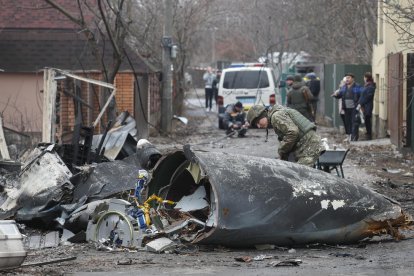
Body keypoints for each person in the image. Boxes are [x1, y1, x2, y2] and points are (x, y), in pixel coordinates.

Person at [246, 104, 323, 167]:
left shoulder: (276, 116)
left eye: (258, 122)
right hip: (308, 145)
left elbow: (293, 132)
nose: (259, 126)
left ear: (262, 115)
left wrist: (282, 149)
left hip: (309, 146)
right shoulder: (277, 113)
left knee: (301, 176)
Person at [332, 73, 362, 141]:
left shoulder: (357, 86)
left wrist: (360, 104)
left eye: (348, 78)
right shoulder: (344, 87)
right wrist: (336, 95)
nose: (347, 79)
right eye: (346, 78)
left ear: (353, 79)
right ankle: (349, 136)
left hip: (354, 108)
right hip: (346, 108)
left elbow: (361, 95)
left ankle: (354, 137)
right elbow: (340, 94)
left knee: (354, 122)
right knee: (347, 122)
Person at [357, 72, 376, 140]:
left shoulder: (370, 86)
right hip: (365, 105)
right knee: (366, 120)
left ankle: (369, 134)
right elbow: (363, 95)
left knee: (367, 119)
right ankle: (368, 133)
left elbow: (367, 96)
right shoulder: (367, 85)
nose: (364, 79)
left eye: (364, 77)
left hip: (368, 105)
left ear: (367, 78)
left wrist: (361, 103)